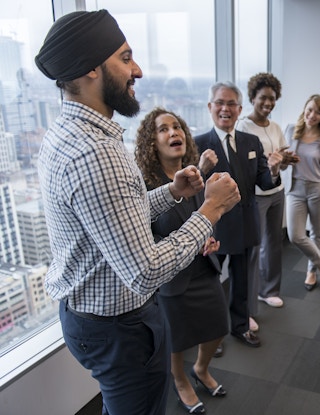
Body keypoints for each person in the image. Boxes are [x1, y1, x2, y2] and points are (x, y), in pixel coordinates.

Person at [34, 10, 239, 415]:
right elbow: (144, 269)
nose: (138, 70)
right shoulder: (97, 152)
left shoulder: (68, 133)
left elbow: (113, 220)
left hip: (90, 319)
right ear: (92, 68)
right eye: (125, 58)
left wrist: (171, 192)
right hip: (120, 329)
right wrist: (211, 210)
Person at [135, 108, 229, 414]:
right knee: (176, 340)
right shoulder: (145, 186)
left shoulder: (193, 175)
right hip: (171, 277)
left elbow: (202, 217)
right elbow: (143, 240)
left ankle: (200, 369)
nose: (173, 133)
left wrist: (209, 238)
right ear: (152, 142)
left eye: (176, 127)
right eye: (163, 129)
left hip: (203, 268)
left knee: (218, 326)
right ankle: (180, 380)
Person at [195, 81, 283, 348]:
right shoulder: (198, 144)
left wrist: (275, 170)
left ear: (240, 109)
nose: (225, 109)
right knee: (210, 287)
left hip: (246, 224)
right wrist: (201, 169)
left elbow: (264, 183)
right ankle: (211, 337)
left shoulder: (250, 141)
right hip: (215, 228)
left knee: (243, 283)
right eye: (220, 103)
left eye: (231, 104)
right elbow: (191, 192)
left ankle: (241, 327)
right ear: (210, 107)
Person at [237, 73, 298, 320]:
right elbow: (242, 166)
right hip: (256, 196)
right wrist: (269, 163)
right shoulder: (243, 127)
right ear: (253, 97)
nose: (268, 103)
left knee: (274, 243)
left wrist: (284, 160)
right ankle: (249, 307)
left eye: (272, 99)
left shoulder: (274, 127)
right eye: (263, 98)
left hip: (276, 191)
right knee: (254, 249)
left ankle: (269, 290)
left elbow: (280, 166)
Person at [284, 94, 320, 290]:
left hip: (318, 190)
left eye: (317, 112)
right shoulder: (291, 130)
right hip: (295, 189)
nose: (312, 115)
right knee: (295, 235)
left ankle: (311, 271)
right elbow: (282, 158)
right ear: (304, 109)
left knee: (317, 232)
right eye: (309, 109)